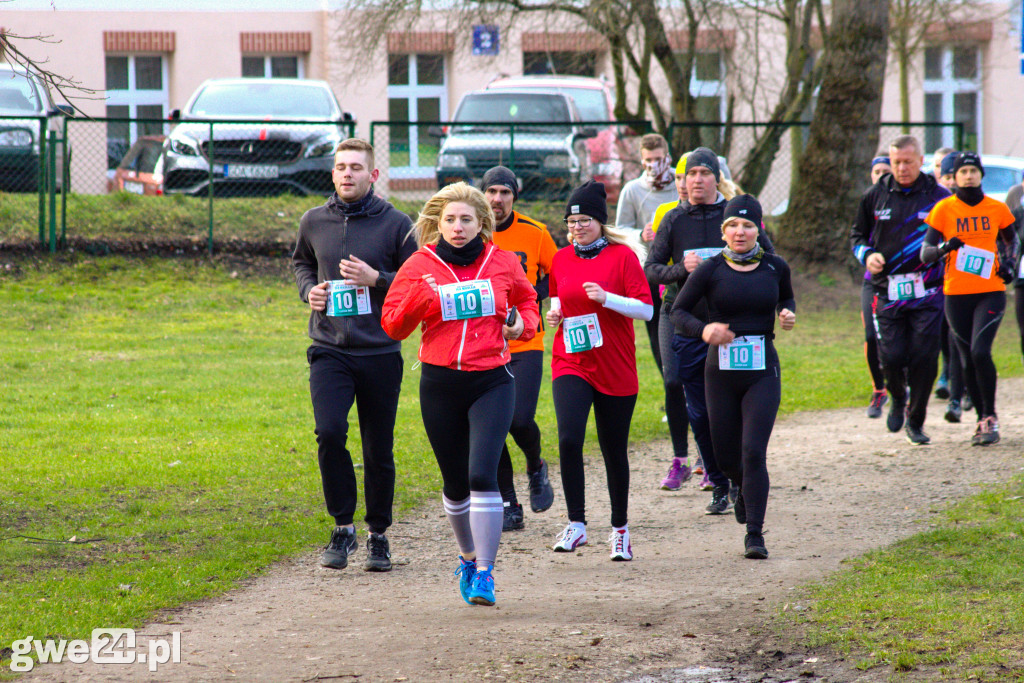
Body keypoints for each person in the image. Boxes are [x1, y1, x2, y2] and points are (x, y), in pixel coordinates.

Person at [381, 182, 539, 606]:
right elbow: (393, 326)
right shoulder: (419, 264)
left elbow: (528, 302)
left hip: (492, 378)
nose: (457, 227)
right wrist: (421, 295)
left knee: (481, 475)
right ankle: (468, 558)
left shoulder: (502, 261)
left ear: (482, 223)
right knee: (454, 484)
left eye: (466, 219)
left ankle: (486, 574)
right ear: (437, 223)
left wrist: (521, 325)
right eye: (449, 220)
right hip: (440, 382)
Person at [292, 138, 417, 573]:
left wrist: (375, 278)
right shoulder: (313, 221)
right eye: (341, 167)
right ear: (332, 174)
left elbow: (416, 280)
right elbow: (302, 263)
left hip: (380, 350)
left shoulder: (397, 224)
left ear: (373, 175)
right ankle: (342, 527)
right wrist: (311, 291)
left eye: (356, 167)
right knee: (329, 433)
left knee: (378, 446)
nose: (348, 174)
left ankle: (378, 535)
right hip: (328, 348)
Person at [646, 147, 775, 513]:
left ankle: (732, 477)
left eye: (705, 172)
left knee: (726, 409)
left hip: (727, 327)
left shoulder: (733, 216)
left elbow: (771, 260)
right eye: (691, 174)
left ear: (716, 178)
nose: (698, 179)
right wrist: (679, 270)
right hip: (682, 319)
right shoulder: (673, 219)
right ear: (683, 182)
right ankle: (716, 479)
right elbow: (651, 268)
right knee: (686, 397)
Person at [670, 195, 795, 559]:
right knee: (726, 458)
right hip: (720, 370)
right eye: (733, 226)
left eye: (748, 225)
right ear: (724, 231)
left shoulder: (776, 267)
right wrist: (705, 329)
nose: (740, 232)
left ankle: (754, 533)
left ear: (759, 229)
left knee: (753, 451)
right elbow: (678, 312)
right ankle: (739, 485)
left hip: (761, 369)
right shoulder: (709, 269)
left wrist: (787, 314)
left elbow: (787, 299)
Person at [546, 180, 653, 561]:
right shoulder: (560, 259)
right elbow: (558, 296)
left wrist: (609, 299)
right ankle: (576, 525)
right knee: (569, 439)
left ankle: (620, 530)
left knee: (613, 449)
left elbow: (646, 309)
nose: (577, 227)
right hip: (571, 361)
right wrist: (555, 313)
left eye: (585, 220)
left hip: (615, 364)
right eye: (572, 221)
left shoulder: (623, 257)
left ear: (600, 222)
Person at [850, 135, 950, 445]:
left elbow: (958, 238)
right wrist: (868, 255)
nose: (902, 168)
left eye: (908, 162)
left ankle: (916, 420)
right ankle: (896, 396)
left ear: (922, 161)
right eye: (896, 163)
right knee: (891, 357)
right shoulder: (874, 196)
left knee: (923, 357)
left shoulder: (940, 197)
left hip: (929, 291)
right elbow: (856, 237)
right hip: (887, 290)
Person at [920, 152, 1018, 445]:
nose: (968, 175)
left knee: (979, 352)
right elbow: (925, 253)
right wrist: (944, 248)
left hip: (990, 292)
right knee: (966, 361)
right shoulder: (944, 209)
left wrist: (1009, 264)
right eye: (963, 171)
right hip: (956, 294)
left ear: (981, 175)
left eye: (973, 170)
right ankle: (980, 421)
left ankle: (990, 416)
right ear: (955, 175)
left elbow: (1012, 241)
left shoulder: (996, 208)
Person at [482, 166, 558, 531]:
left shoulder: (535, 232)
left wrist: (533, 297)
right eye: (491, 192)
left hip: (527, 339)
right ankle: (509, 502)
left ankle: (535, 465)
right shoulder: (470, 231)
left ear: (515, 196)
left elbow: (559, 275)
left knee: (519, 419)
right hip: (483, 343)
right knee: (492, 426)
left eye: (505, 193)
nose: (497, 199)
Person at [615, 133, 678, 378]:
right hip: (650, 272)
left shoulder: (681, 184)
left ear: (668, 157)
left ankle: (692, 392)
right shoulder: (632, 190)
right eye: (649, 160)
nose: (654, 164)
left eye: (659, 158)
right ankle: (671, 389)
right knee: (657, 333)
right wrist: (642, 233)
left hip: (682, 268)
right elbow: (620, 231)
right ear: (642, 162)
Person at [931, 151, 969, 420]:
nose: (951, 182)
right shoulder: (938, 206)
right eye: (945, 176)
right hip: (938, 283)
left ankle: (960, 392)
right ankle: (951, 382)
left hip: (967, 285)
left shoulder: (975, 205)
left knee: (960, 342)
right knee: (945, 337)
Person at [863, 155, 891, 419]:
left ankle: (902, 387)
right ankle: (879, 389)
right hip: (872, 282)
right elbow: (856, 236)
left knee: (899, 341)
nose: (881, 175)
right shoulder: (868, 202)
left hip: (901, 282)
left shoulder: (901, 202)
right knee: (871, 336)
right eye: (876, 171)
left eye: (886, 170)